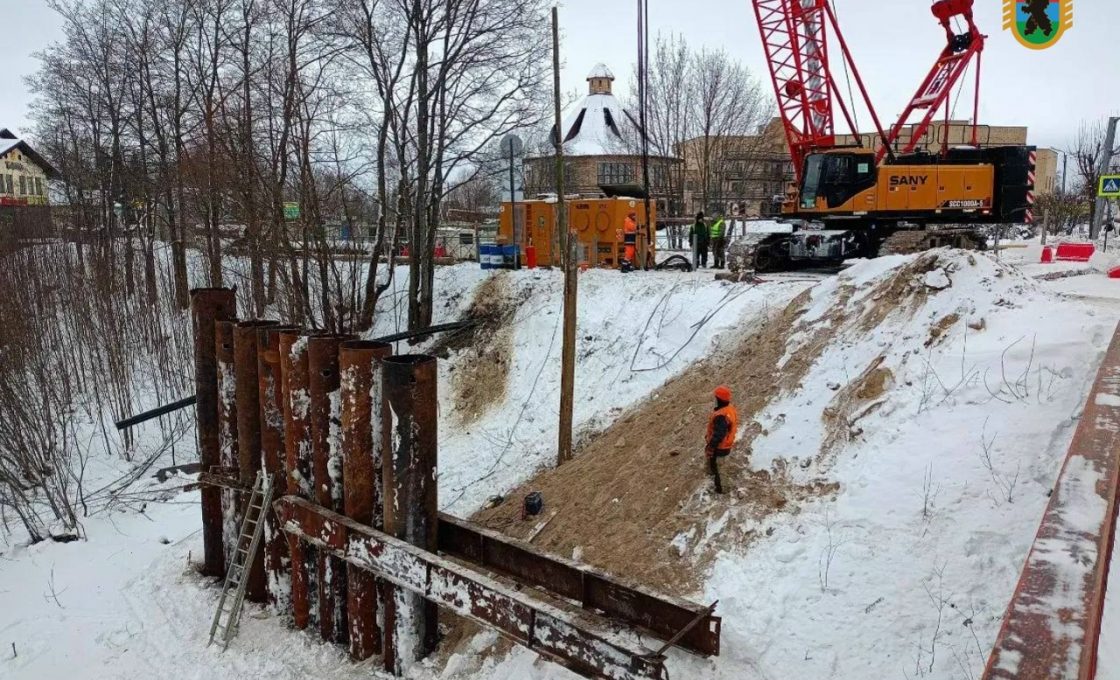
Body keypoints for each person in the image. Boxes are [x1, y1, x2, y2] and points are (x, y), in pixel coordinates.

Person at [705, 385, 738, 494]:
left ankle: (721, 489)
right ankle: (715, 476)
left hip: (720, 446)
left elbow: (719, 434)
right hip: (726, 444)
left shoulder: (721, 416)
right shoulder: (729, 409)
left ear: (718, 399)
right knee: (716, 464)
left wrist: (711, 446)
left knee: (720, 468)